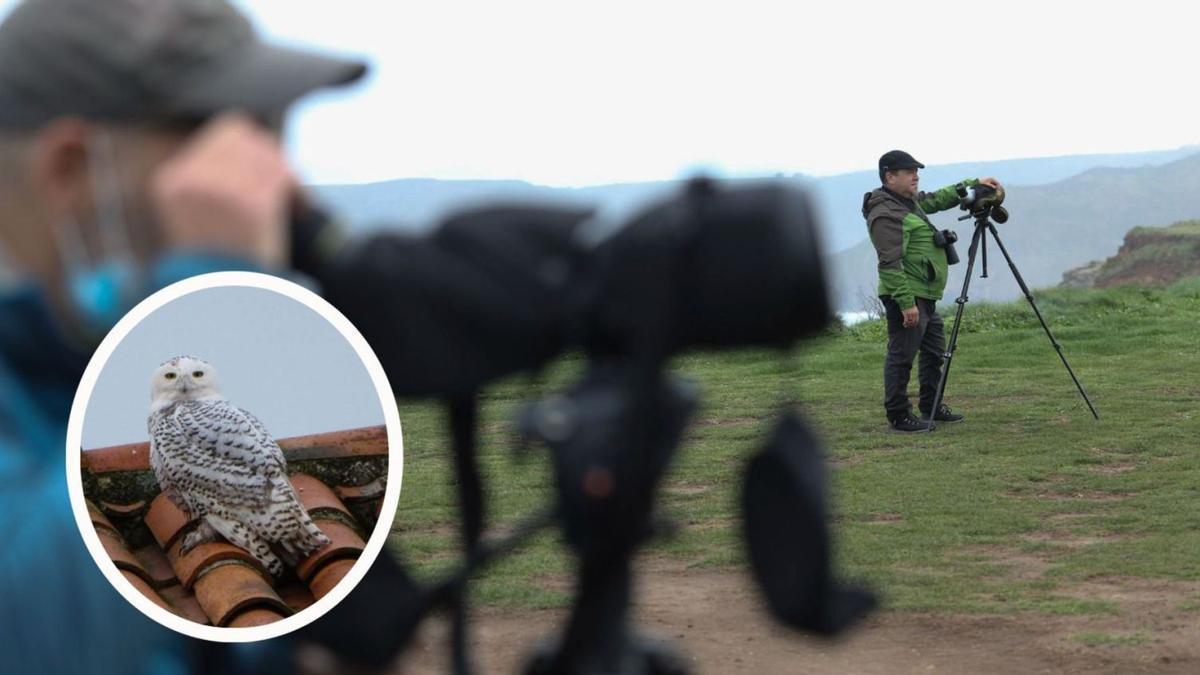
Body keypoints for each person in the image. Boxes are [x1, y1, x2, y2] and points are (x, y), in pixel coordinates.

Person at [0, 0, 370, 672]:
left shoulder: (79, 352)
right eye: (216, 163)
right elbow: (29, 632)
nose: (270, 190)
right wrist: (209, 284)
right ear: (69, 171)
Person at [861, 150, 1002, 433]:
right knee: (902, 355)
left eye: (917, 171)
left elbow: (935, 199)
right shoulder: (885, 213)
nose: (916, 176)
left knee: (934, 352)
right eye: (909, 172)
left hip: (924, 294)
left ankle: (931, 405)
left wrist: (974, 183)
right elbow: (888, 263)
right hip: (908, 296)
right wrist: (906, 303)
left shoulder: (908, 203)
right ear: (890, 176)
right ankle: (899, 416)